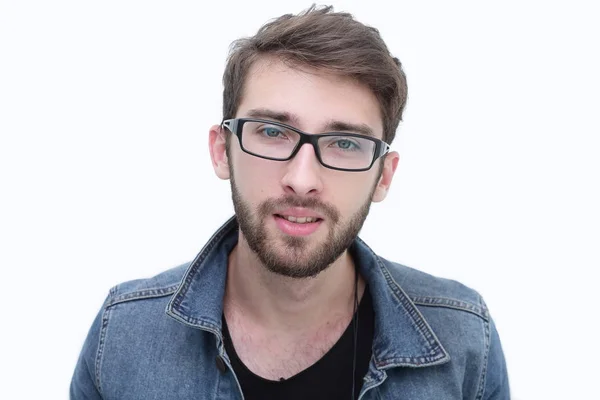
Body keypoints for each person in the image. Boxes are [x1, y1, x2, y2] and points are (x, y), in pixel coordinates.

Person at [70, 5, 510, 399]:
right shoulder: (123, 337)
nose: (302, 180)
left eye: (344, 143)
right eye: (273, 133)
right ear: (223, 151)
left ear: (383, 175)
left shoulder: (465, 340)